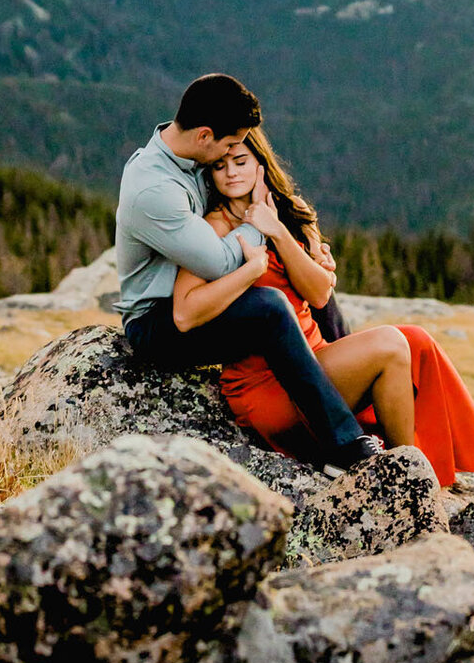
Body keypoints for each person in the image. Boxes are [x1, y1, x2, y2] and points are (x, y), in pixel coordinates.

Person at [172, 127, 474, 485]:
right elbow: (186, 308)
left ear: (260, 165)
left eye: (240, 161)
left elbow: (319, 294)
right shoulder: (212, 228)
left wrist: (276, 230)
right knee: (389, 346)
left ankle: (427, 460)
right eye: (219, 166)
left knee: (417, 340)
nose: (231, 172)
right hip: (266, 384)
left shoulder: (290, 213)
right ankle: (403, 478)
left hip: (313, 360)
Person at [117, 73, 378, 470]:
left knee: (313, 291)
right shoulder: (154, 189)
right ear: (205, 136)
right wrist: (260, 219)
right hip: (159, 324)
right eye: (228, 144)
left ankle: (349, 400)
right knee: (269, 307)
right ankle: (341, 448)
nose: (232, 155)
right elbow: (221, 261)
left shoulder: (190, 157)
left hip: (201, 297)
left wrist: (309, 257)